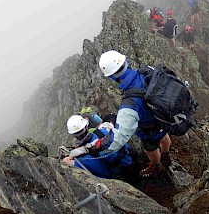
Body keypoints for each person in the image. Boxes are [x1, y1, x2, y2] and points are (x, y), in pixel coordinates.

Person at [98, 50, 172, 178]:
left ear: (111, 76)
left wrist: (97, 146)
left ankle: (157, 166)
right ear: (126, 62)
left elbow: (119, 137)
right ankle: (166, 154)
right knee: (164, 136)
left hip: (149, 128)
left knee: (150, 150)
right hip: (164, 117)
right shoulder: (147, 71)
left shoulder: (129, 103)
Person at [62, 114, 135, 180]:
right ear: (86, 127)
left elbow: (103, 171)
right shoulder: (102, 132)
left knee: (66, 161)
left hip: (116, 174)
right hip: (129, 159)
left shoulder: (85, 157)